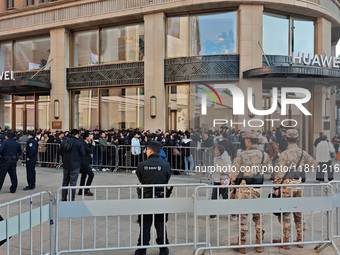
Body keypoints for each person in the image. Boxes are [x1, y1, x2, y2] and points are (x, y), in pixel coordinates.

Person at [273, 129, 317, 250]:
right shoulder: (303, 153)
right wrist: (301, 169)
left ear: (286, 139)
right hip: (299, 184)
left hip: (287, 185)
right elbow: (314, 165)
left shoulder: (284, 154)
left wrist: (276, 187)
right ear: (298, 139)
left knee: (286, 213)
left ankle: (286, 241)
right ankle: (300, 239)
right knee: (298, 212)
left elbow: (280, 172)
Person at [230, 131, 271, 254]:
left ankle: (242, 244)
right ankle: (259, 243)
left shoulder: (241, 155)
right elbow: (269, 171)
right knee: (258, 216)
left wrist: (232, 187)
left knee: (243, 217)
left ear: (248, 140)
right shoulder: (264, 155)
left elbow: (234, 174)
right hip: (257, 188)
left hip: (244, 188)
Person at [135, 141, 171, 255]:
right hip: (161, 197)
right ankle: (163, 249)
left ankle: (142, 249)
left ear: (149, 150)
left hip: (146, 198)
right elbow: (166, 179)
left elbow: (141, 179)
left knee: (145, 224)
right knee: (160, 224)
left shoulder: (141, 165)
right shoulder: (166, 165)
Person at [60, 129, 86, 201]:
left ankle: (64, 198)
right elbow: (83, 153)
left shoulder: (64, 141)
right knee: (73, 183)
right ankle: (72, 199)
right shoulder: (79, 143)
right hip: (75, 164)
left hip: (66, 164)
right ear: (77, 134)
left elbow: (60, 152)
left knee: (65, 182)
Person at [208, 145, 231, 220]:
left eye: (216, 150)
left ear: (220, 151)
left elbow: (228, 170)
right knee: (214, 197)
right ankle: (213, 215)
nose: (215, 152)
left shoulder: (226, 158)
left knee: (226, 198)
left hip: (223, 181)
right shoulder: (216, 158)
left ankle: (233, 213)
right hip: (216, 180)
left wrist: (218, 170)